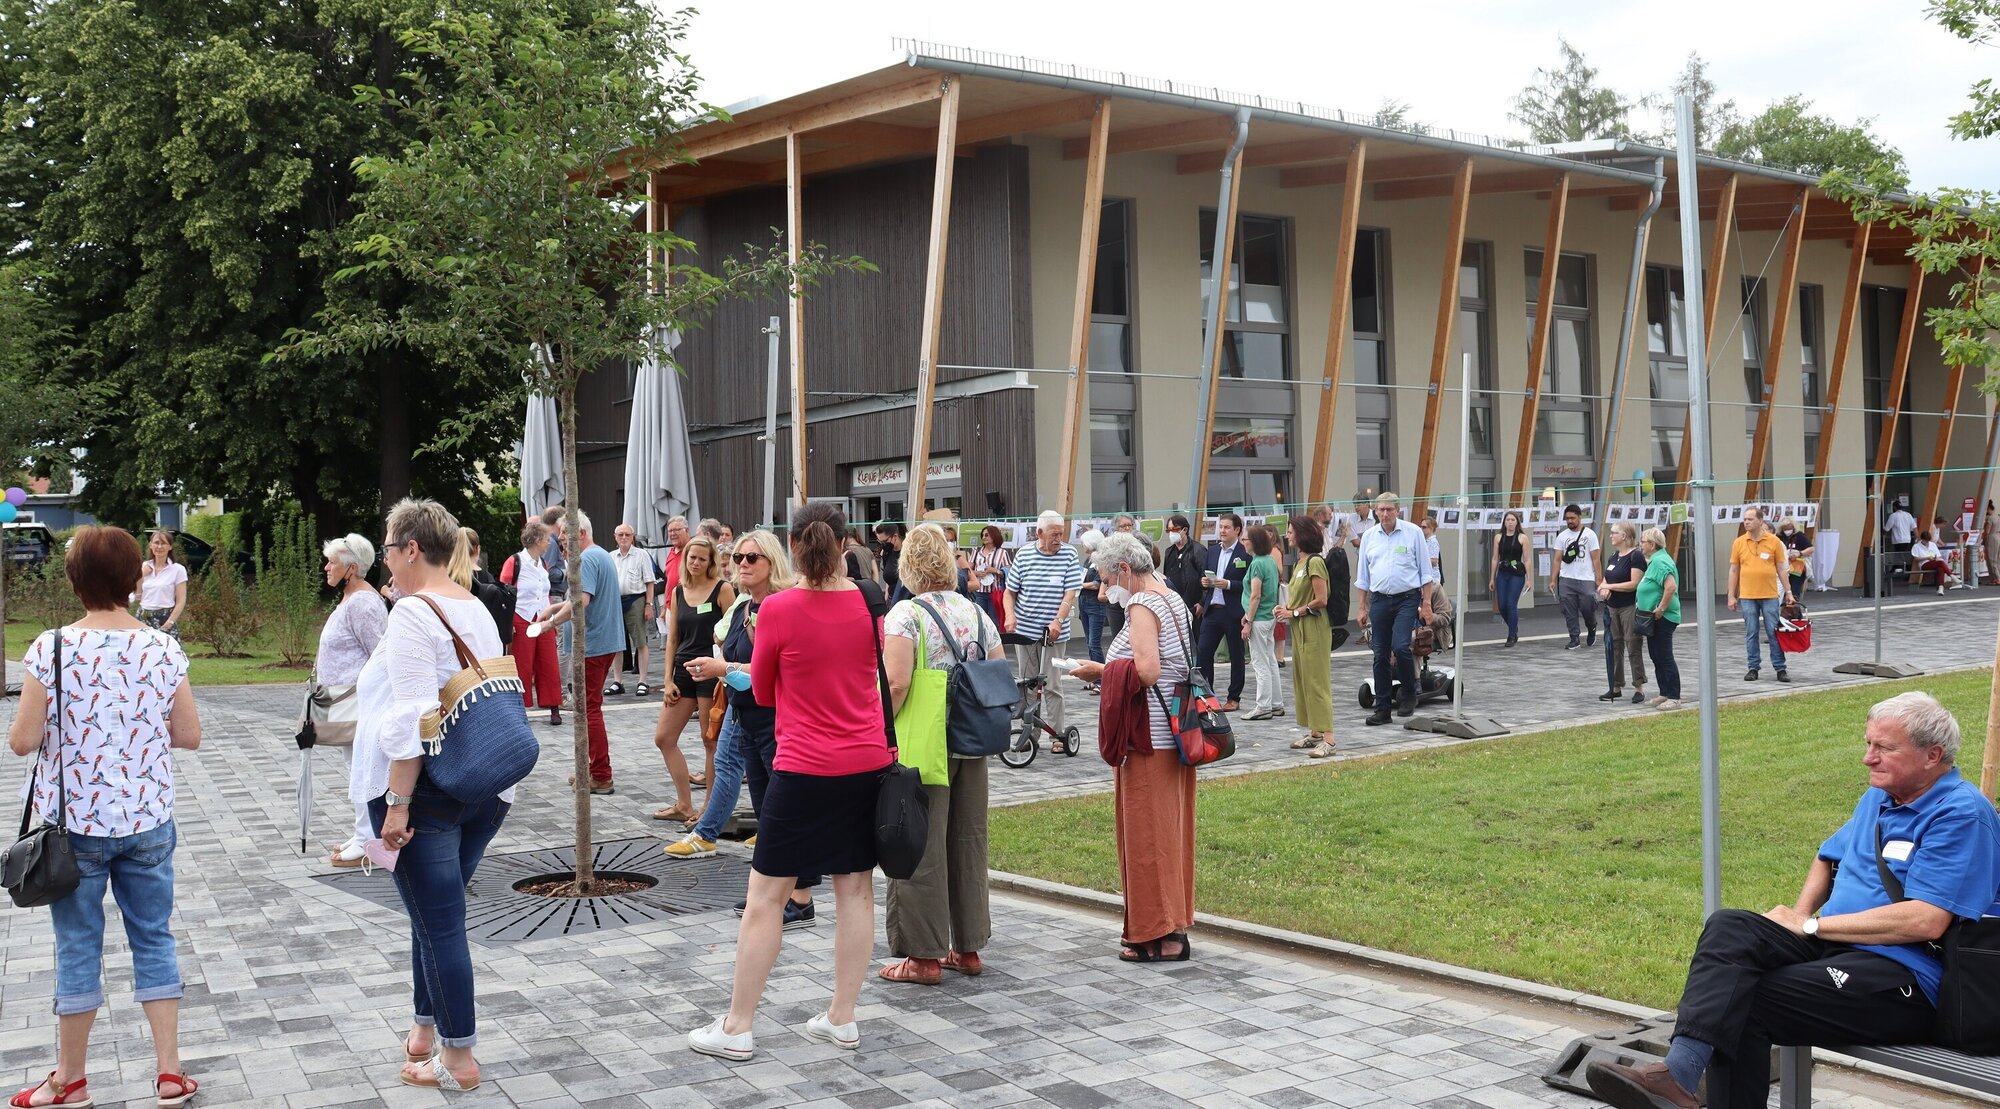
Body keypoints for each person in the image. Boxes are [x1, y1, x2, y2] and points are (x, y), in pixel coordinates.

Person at [1582, 691, 2000, 1109]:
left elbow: (1925, 921)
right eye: (1867, 744)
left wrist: (1811, 925)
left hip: (1907, 976)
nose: (1868, 758)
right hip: (1834, 945)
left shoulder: (1961, 813)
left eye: (1884, 748)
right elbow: (1827, 856)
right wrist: (1801, 914)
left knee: (1747, 1001)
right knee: (1729, 925)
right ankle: (1677, 1074)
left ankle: (1677, 1078)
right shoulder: (1880, 796)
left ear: (1933, 755)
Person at [687, 502, 892, 1061]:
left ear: (795, 546)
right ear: (844, 544)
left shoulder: (777, 609)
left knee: (766, 899)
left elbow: (769, 692)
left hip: (803, 766)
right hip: (865, 762)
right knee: (855, 890)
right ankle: (841, 1018)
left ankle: (737, 1026)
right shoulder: (870, 601)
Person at [7, 526, 202, 1109]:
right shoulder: (164, 649)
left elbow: (22, 742)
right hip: (147, 820)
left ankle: (70, 1079)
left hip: (73, 831)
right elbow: (189, 735)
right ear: (135, 578)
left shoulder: (52, 648)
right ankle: (170, 1073)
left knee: (77, 945)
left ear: (75, 580)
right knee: (154, 937)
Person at [356, 499, 512, 1092]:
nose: (387, 562)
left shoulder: (413, 614)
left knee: (441, 924)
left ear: (412, 549)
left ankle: (459, 1057)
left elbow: (413, 716)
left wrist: (397, 802)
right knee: (434, 915)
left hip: (427, 792)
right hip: (485, 786)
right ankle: (424, 1033)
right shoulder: (472, 605)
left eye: (389, 550)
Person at [878, 524, 999, 985]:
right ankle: (967, 948)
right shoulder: (976, 611)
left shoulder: (905, 615)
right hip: (972, 737)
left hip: (924, 743)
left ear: (908, 564)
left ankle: (922, 956)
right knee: (967, 840)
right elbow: (995, 667)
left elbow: (897, 682)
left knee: (919, 842)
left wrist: (879, 729)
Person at [1068, 533, 1196, 964]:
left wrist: (1100, 672)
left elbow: (1145, 671)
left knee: (1146, 837)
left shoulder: (1143, 604)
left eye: (1107, 579)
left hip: (1150, 738)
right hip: (1171, 735)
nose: (1105, 591)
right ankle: (1169, 925)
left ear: (1125, 569)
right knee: (1166, 833)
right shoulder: (1170, 596)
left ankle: (1158, 933)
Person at [650, 535, 734, 822]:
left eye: (701, 558)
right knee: (664, 737)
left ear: (711, 562)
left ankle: (709, 809)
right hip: (683, 672)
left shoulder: (723, 590)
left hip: (711, 670)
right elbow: (672, 638)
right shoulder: (677, 591)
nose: (695, 562)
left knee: (709, 741)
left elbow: (732, 633)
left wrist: (725, 669)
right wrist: (668, 678)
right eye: (691, 557)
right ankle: (684, 804)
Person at [320, 533, 389, 869]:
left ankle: (368, 840)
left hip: (359, 702)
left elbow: (380, 653)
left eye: (332, 561)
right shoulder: (351, 598)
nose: (326, 567)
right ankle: (363, 831)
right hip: (345, 701)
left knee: (364, 770)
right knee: (356, 769)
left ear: (351, 568)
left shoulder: (363, 602)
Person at [1004, 510, 1083, 750]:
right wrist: (1010, 615)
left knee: (1052, 683)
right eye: (1054, 534)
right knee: (1027, 683)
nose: (1059, 538)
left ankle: (1057, 735)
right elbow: (1010, 591)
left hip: (1055, 632)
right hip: (1026, 630)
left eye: (1061, 533)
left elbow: (1070, 593)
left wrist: (1058, 620)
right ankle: (1031, 735)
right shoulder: (1024, 554)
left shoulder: (1069, 553)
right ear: (1039, 533)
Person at [1356, 493, 1437, 726]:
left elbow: (1425, 573)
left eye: (1389, 509)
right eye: (1380, 510)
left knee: (1401, 646)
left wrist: (1428, 603)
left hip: (1407, 599)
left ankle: (1410, 693)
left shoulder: (1412, 533)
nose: (1384, 514)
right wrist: (1361, 607)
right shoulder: (1370, 537)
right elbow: (1363, 576)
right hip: (1379, 599)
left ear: (1398, 510)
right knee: (1380, 653)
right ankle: (1382, 708)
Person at [1276, 517, 1335, 755]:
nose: (1287, 535)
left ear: (1302, 535)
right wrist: (1285, 610)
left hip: (1314, 628)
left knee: (1317, 681)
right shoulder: (1300, 563)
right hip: (1300, 628)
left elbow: (1322, 600)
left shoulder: (1315, 562)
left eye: (1291, 532)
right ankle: (1315, 732)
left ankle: (1329, 738)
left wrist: (1294, 612)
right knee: (1303, 680)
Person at [502, 521, 568, 726]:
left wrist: (552, 621)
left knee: (549, 663)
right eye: (547, 539)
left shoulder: (544, 564)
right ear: (537, 540)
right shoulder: (515, 561)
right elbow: (505, 593)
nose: (549, 543)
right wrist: (507, 622)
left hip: (542, 618)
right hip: (521, 618)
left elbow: (544, 593)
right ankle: (521, 707)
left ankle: (554, 706)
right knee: (522, 664)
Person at [1729, 506, 1795, 683]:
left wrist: (1788, 592)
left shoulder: (1773, 542)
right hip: (1748, 595)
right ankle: (1753, 667)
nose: (1746, 522)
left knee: (1774, 631)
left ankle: (1780, 668)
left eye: (1750, 519)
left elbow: (1782, 569)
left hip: (1769, 594)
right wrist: (1731, 595)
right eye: (1745, 519)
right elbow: (1734, 569)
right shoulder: (1739, 542)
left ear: (1760, 521)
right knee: (1751, 632)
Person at [1195, 512, 1250, 712]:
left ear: (1237, 530)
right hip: (1212, 610)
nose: (1222, 531)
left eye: (1227, 527)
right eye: (1221, 527)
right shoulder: (1212, 552)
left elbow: (1247, 584)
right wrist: (1205, 583)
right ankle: (1207, 695)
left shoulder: (1245, 555)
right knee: (1203, 653)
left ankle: (1234, 697)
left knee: (1236, 655)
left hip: (1233, 611)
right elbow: (1207, 577)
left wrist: (1227, 584)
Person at [1595, 521, 1649, 706]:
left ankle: (1638, 687)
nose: (1611, 536)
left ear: (1624, 536)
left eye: (1614, 533)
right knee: (1615, 646)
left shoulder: (1636, 557)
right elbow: (1604, 581)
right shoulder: (1613, 556)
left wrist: (1609, 586)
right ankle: (1616, 685)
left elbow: (1634, 583)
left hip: (1629, 607)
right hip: (1612, 607)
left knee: (1632, 645)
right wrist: (1603, 589)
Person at [608, 524, 659, 697]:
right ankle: (617, 681)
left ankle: (643, 680)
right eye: (620, 534)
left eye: (627, 534)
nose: (624, 537)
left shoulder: (641, 555)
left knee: (640, 641)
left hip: (636, 599)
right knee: (616, 643)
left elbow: (650, 581)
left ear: (633, 536)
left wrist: (649, 604)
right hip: (615, 601)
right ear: (615, 536)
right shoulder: (610, 557)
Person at [1239, 525, 1283, 721]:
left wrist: (1248, 619)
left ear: (1253, 542)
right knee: (1270, 660)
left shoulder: (1257, 564)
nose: (1243, 542)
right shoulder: (1270, 561)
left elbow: (1255, 595)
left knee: (1260, 663)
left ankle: (1263, 705)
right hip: (1269, 616)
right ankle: (1276, 704)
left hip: (1259, 618)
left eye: (1245, 539)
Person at [1636, 527, 1682, 710]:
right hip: (1652, 617)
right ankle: (1664, 692)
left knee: (1664, 656)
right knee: (1656, 656)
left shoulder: (1660, 561)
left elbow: (1670, 587)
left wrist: (1661, 608)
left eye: (1643, 541)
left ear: (1652, 545)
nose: (1640, 544)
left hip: (1663, 616)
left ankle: (1674, 696)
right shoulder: (1655, 560)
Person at [1547, 503, 1603, 650]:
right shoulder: (1562, 536)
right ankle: (1574, 638)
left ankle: (1591, 627)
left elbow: (1596, 559)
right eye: (1567, 519)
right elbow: (1557, 559)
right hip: (1566, 578)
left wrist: (1598, 578)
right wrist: (1553, 579)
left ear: (1580, 517)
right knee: (1568, 609)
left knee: (1587, 607)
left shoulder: (1590, 535)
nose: (1570, 521)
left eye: (1572, 518)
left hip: (1586, 578)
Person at [136, 530, 189, 638]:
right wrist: (141, 575)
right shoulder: (145, 566)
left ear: (170, 547)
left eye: (163, 543)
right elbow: (138, 596)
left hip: (164, 618)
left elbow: (181, 600)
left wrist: (169, 623)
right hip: (143, 617)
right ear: (150, 545)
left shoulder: (178, 569)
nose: (159, 547)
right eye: (156, 543)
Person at [1489, 511, 1528, 647]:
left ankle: (1512, 635)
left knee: (1511, 603)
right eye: (1508, 520)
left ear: (1517, 522)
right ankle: (1513, 626)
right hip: (1503, 572)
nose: (1510, 522)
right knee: (1502, 605)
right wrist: (1492, 578)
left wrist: (1529, 579)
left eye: (1512, 520)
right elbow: (1495, 558)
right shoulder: (1498, 537)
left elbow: (1527, 560)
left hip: (1517, 573)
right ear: (1504, 522)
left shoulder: (1522, 538)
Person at [1160, 513, 1205, 623]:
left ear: (1184, 530)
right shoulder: (1169, 552)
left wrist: (1202, 602)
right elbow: (1166, 578)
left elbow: (1205, 577)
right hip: (1175, 604)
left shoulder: (1198, 550)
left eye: (1174, 529)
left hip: (1194, 604)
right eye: (1168, 530)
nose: (1171, 533)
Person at [1076, 531, 1109, 678]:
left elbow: (1097, 584)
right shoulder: (1088, 560)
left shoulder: (1100, 560)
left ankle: (1100, 678)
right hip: (1084, 602)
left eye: (1084, 542)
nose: (1082, 545)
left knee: (1094, 643)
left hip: (1095, 605)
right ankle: (1095, 677)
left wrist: (1081, 584)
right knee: (1089, 643)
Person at [969, 525, 1010, 626]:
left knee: (994, 621)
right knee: (979, 621)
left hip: (995, 592)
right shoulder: (976, 552)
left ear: (994, 536)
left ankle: (994, 641)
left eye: (986, 535)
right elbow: (968, 570)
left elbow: (1008, 571)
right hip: (979, 592)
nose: (984, 537)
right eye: (982, 535)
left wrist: (995, 571)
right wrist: (976, 573)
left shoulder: (1002, 553)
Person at [1910, 530, 1958, 594]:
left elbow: (1938, 556)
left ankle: (1940, 589)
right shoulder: (1916, 546)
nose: (1927, 542)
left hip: (1934, 562)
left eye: (1928, 541)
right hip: (1924, 564)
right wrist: (1927, 557)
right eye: (1925, 541)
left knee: (1940, 569)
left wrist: (1935, 558)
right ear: (1922, 539)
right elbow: (1916, 558)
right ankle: (1951, 575)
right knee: (1940, 563)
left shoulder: (1932, 544)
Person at [1778, 516, 1814, 598]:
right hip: (1783, 566)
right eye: (1785, 528)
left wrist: (1799, 553)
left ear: (1793, 527)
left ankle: (1793, 603)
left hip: (1796, 567)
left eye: (1789, 528)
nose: (1787, 531)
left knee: (1794, 588)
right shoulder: (1779, 536)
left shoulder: (1799, 536)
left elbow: (1811, 549)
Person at [873, 522, 905, 597]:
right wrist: (886, 597)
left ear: (895, 536)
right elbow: (888, 580)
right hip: (891, 598)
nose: (883, 544)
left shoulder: (908, 553)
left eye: (885, 541)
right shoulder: (886, 553)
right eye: (880, 542)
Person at [661, 515, 690, 595]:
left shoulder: (692, 551)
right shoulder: (671, 552)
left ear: (686, 531)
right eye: (670, 531)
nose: (673, 534)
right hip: (670, 605)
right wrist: (665, 605)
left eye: (676, 530)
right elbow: (668, 582)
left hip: (686, 603)